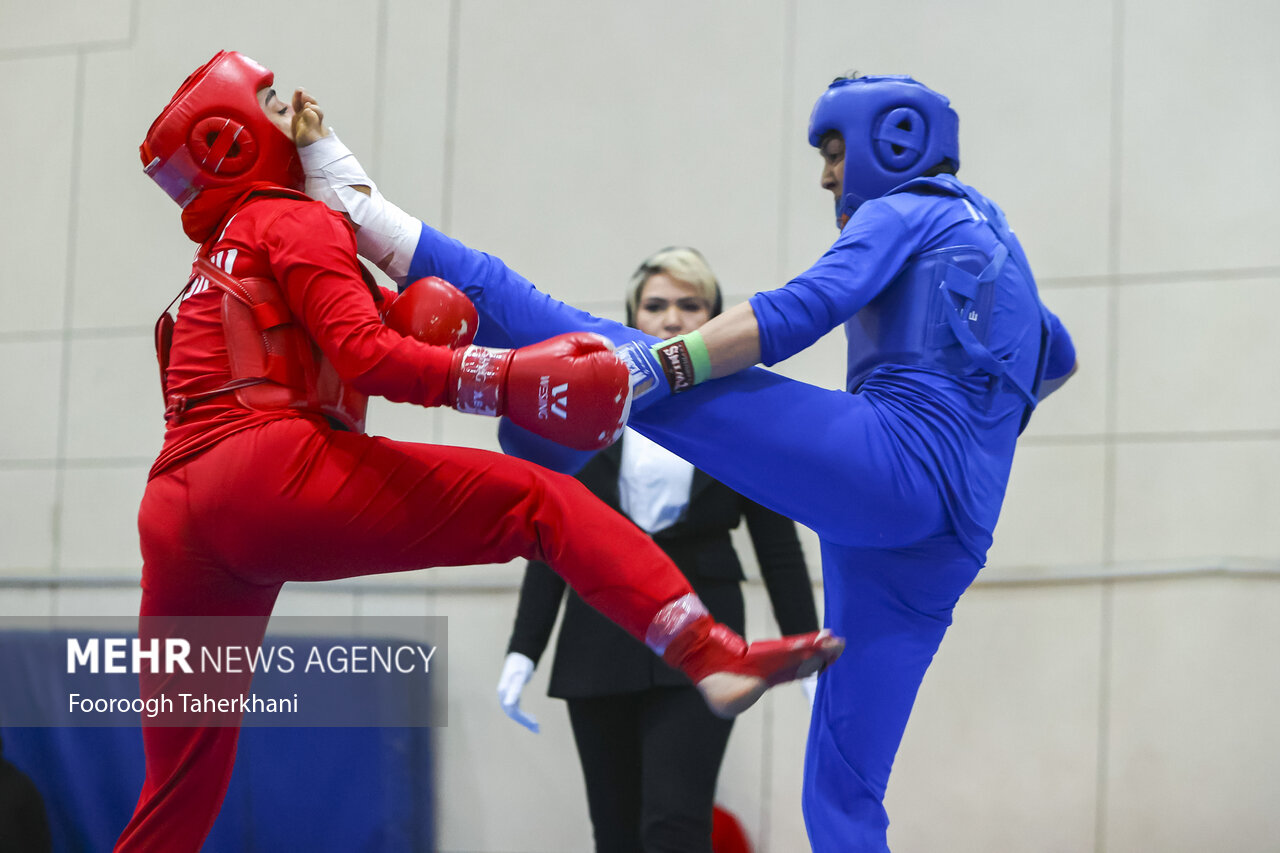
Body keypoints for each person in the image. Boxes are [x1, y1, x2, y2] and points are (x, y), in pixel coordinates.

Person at [297, 72, 1077, 852]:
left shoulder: (906, 209)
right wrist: (976, 434)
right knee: (844, 791)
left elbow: (798, 311)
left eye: (835, 152)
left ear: (894, 141)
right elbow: (1056, 356)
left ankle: (369, 216)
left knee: (603, 351)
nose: (828, 176)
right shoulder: (998, 240)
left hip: (893, 465)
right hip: (953, 535)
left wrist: (662, 368)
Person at [115, 51, 842, 853]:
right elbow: (369, 359)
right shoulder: (289, 220)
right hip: (266, 472)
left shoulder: (213, 258)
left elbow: (362, 323)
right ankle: (709, 652)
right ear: (234, 138)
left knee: (178, 791)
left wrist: (415, 311)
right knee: (541, 500)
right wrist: (508, 379)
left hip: (177, 511)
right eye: (273, 102)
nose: (296, 111)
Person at [497, 247, 820, 852]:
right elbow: (552, 537)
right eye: (656, 305)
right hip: (598, 640)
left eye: (690, 305)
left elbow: (777, 546)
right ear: (631, 317)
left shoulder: (743, 419)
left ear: (712, 320)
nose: (672, 318)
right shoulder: (587, 415)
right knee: (615, 835)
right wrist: (523, 652)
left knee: (674, 825)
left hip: (709, 630)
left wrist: (804, 651)